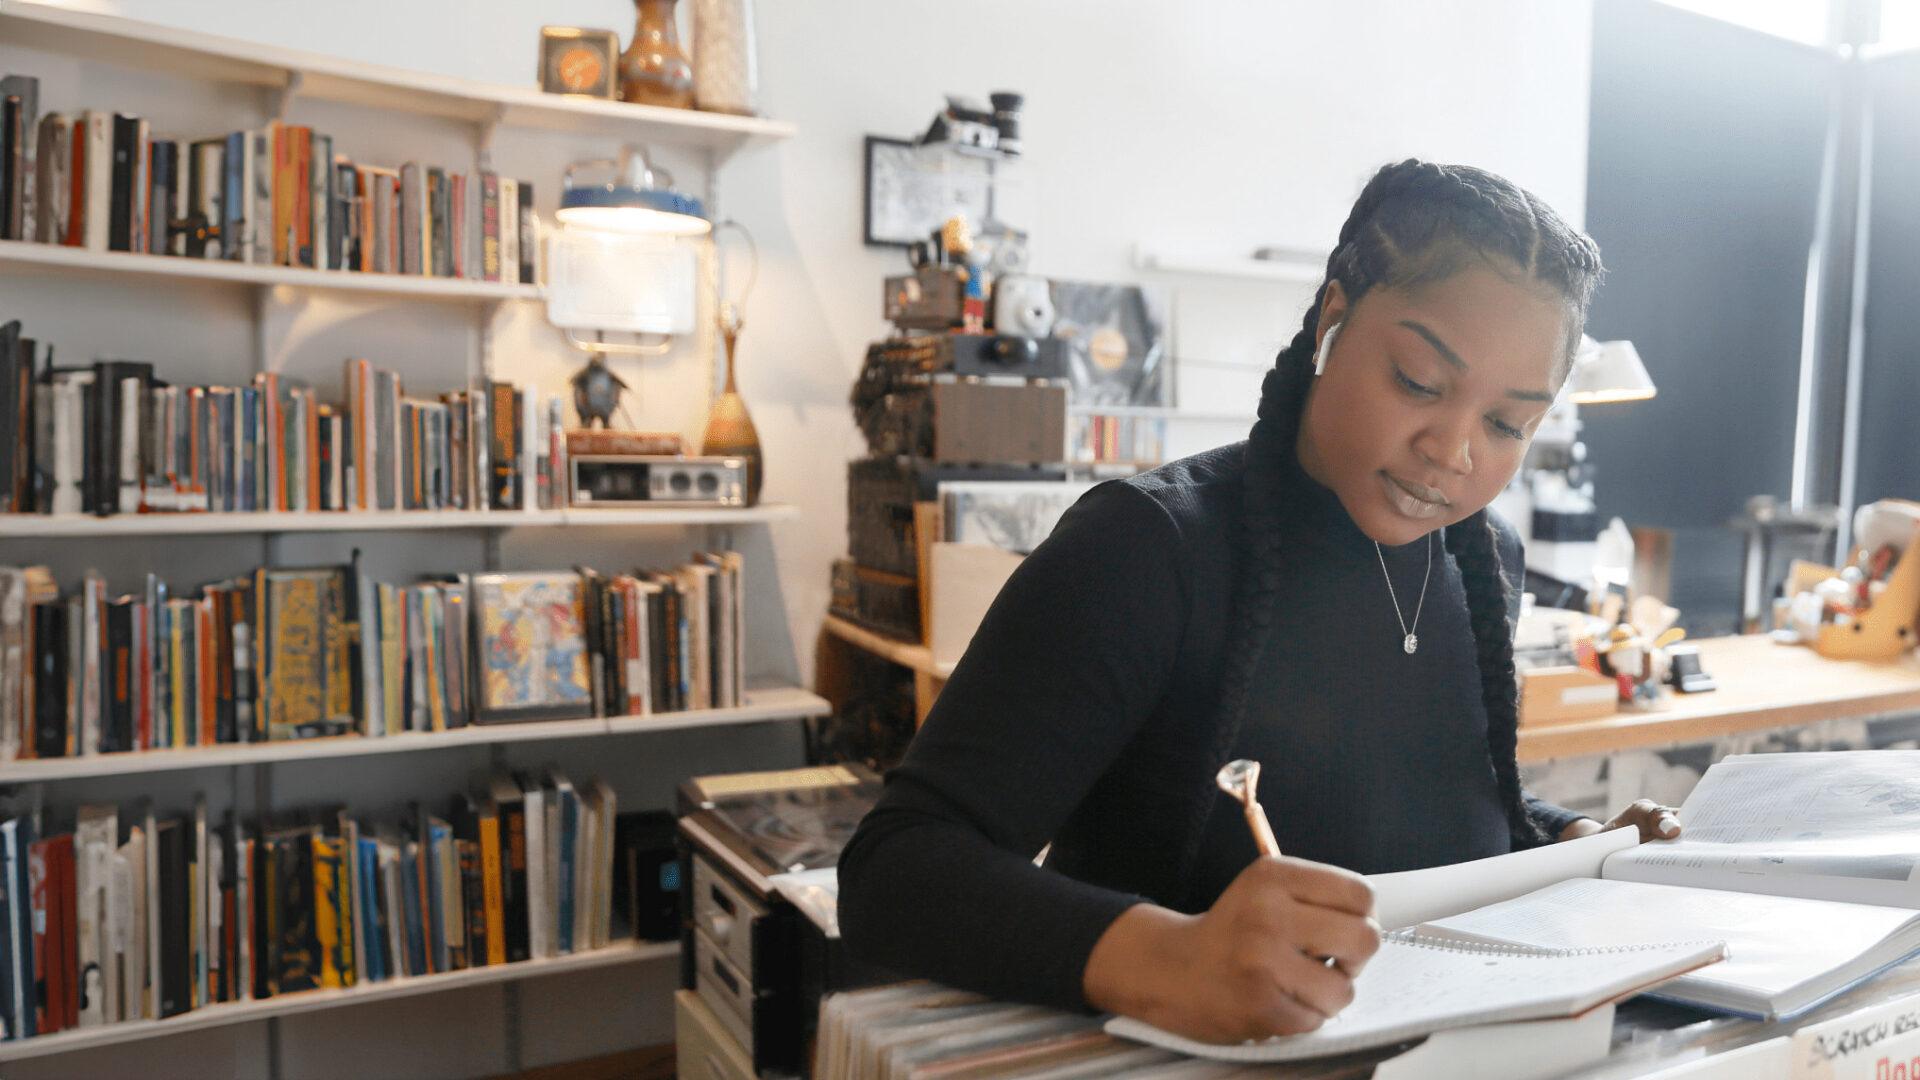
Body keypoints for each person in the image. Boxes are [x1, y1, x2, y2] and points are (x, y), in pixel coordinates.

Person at [837, 159, 1683, 1044]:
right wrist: (1168, 959)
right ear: (1333, 318)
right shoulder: (1146, 549)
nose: (1456, 451)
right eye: (1420, 383)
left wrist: (1579, 840)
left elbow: (1421, 816)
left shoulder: (1483, 561)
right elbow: (896, 873)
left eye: (1508, 424)